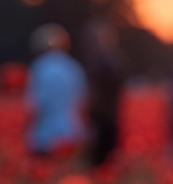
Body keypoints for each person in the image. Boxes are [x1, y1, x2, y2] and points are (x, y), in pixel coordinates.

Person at [25, 24, 87, 157]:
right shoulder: (74, 67)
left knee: (43, 171)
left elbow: (35, 105)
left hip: (45, 135)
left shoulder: (40, 67)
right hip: (71, 132)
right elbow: (82, 103)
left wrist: (27, 130)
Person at [82, 20, 127, 167]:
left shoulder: (100, 61)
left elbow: (95, 91)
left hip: (102, 116)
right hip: (112, 114)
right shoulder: (117, 59)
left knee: (100, 160)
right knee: (109, 159)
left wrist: (90, 111)